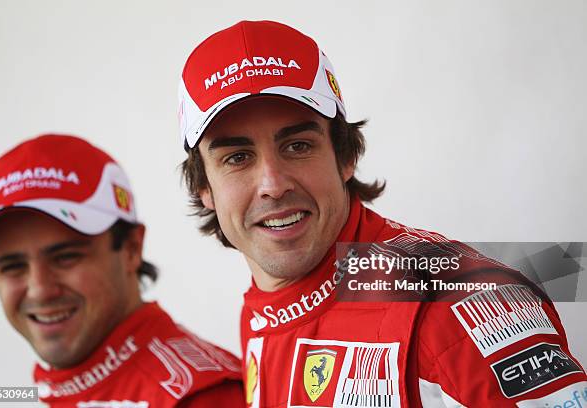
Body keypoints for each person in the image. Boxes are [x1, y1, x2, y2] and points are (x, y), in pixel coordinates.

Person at [178, 20, 587, 407]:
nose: (272, 183)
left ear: (346, 156)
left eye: (298, 146)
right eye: (237, 157)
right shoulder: (263, 305)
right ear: (204, 188)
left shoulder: (456, 305)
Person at [0, 134, 244, 407]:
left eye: (65, 257)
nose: (40, 290)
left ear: (131, 249)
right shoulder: (43, 390)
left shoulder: (203, 398)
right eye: (12, 266)